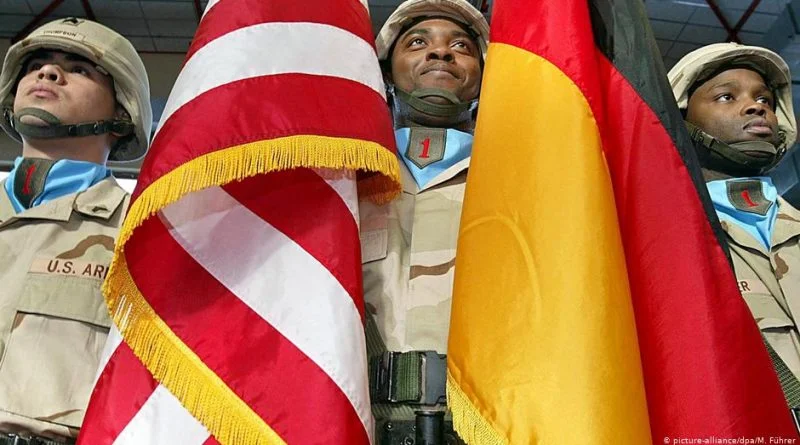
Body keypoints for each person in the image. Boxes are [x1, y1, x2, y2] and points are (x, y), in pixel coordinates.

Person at [0, 17, 151, 443]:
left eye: (79, 69)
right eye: (36, 65)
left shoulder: (141, 234)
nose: (48, 73)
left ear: (120, 115)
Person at [360, 0, 488, 443]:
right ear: (386, 72)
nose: (440, 52)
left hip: (486, 426)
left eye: (461, 46)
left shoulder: (516, 183)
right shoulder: (345, 182)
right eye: (417, 42)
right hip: (360, 424)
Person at [668, 44, 800, 385]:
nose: (757, 107)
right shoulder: (666, 246)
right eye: (726, 96)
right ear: (680, 120)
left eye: (764, 99)